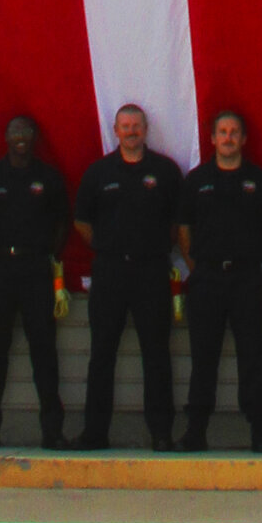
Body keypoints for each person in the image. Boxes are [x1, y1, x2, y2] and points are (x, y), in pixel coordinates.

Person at [75, 101, 184, 450]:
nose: (132, 131)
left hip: (151, 270)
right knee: (102, 353)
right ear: (115, 131)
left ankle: (162, 433)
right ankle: (94, 433)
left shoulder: (165, 171)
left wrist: (148, 248)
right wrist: (109, 247)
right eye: (125, 126)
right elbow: (81, 222)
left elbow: (176, 224)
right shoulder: (98, 172)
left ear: (146, 129)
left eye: (137, 125)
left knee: (156, 353)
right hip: (109, 271)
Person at [177, 109, 262, 452]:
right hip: (206, 278)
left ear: (243, 139)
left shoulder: (260, 181)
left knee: (252, 356)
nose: (228, 137)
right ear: (212, 138)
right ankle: (196, 431)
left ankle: (259, 431)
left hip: (247, 279)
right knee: (203, 356)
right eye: (222, 131)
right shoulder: (196, 181)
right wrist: (197, 267)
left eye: (234, 132)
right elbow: (184, 228)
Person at [0, 112, 70, 449]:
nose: (20, 137)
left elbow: (63, 223)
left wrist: (46, 255)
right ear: (6, 138)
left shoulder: (48, 178)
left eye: (26, 131)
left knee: (44, 352)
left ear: (34, 137)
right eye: (14, 132)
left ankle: (52, 431)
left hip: (36, 271)